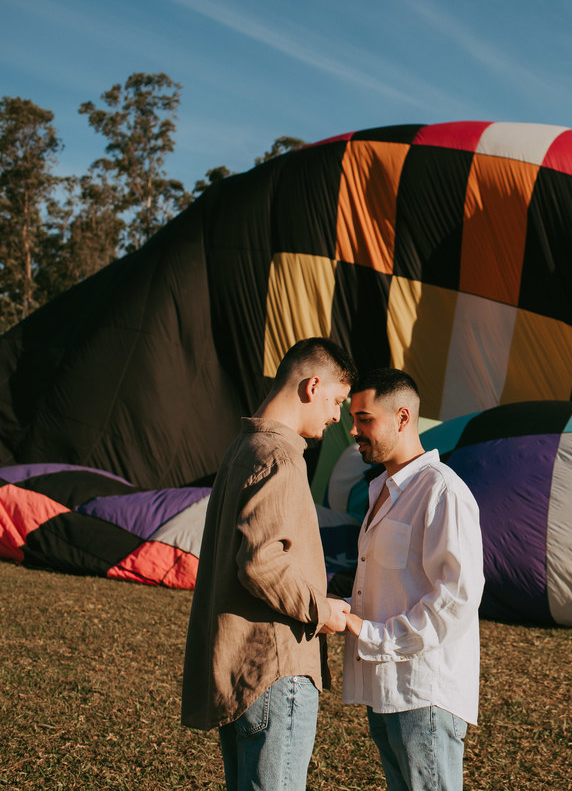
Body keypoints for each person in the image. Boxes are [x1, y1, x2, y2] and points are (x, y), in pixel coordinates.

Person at [181, 337, 357, 791]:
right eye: (337, 401)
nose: (337, 416)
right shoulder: (280, 455)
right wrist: (322, 609)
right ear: (312, 386)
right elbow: (261, 562)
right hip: (275, 671)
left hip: (239, 669)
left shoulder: (243, 449)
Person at [339, 367, 484, 791]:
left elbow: (456, 599)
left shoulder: (442, 491)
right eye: (353, 418)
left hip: (424, 694)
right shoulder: (381, 489)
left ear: (403, 418)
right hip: (386, 690)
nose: (353, 430)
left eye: (365, 419)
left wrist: (372, 635)